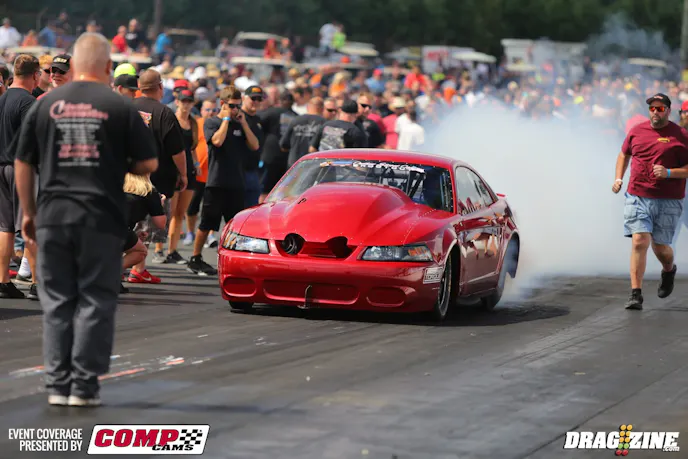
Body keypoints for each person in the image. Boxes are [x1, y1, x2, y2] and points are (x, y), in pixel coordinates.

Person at [14, 32, 158, 406]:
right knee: (95, 299)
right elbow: (149, 163)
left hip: (54, 215)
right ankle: (84, 387)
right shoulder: (121, 106)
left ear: (74, 65)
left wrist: (28, 212)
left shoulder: (46, 103)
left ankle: (58, 385)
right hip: (101, 217)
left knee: (58, 300)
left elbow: (23, 162)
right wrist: (117, 160)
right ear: (108, 66)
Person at [612, 93, 688, 310]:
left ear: (668, 111)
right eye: (652, 108)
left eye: (660, 109)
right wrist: (618, 178)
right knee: (639, 240)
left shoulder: (681, 135)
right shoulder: (637, 131)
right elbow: (623, 154)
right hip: (638, 195)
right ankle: (635, 293)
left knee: (661, 247)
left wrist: (669, 172)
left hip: (668, 200)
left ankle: (669, 269)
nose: (655, 112)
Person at [188, 85, 259, 276]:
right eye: (232, 106)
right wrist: (226, 119)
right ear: (223, 104)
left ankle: (233, 260)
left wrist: (244, 124)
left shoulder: (241, 123)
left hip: (237, 182)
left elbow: (254, 145)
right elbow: (217, 141)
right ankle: (195, 258)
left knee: (235, 225)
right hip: (216, 181)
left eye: (238, 106)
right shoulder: (212, 122)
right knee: (207, 223)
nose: (236, 109)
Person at [132, 69, 187, 264]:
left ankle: (137, 268)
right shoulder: (164, 113)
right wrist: (183, 174)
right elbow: (177, 151)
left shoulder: (127, 107)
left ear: (139, 87)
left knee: (132, 225)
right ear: (160, 87)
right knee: (148, 227)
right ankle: (136, 269)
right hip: (157, 179)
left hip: (128, 177)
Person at [0, 54, 40, 300]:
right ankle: (37, 283)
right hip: (20, 169)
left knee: (5, 228)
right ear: (35, 74)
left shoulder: (2, 99)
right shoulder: (28, 102)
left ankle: (3, 281)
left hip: (0, 167)